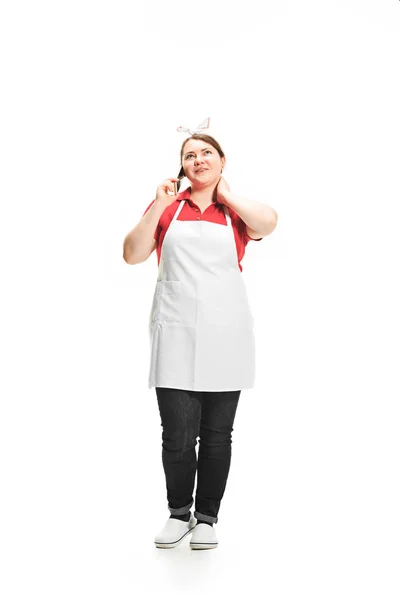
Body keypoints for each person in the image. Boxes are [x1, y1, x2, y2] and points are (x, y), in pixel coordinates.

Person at [123, 119, 278, 550]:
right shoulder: (168, 209)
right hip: (174, 332)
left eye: (206, 152)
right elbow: (132, 254)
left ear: (221, 161)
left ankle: (207, 517)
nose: (198, 159)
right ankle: (178, 514)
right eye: (190, 155)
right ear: (182, 167)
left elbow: (269, 223)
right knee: (176, 434)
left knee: (216, 435)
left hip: (225, 335)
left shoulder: (235, 213)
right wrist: (156, 205)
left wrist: (228, 194)